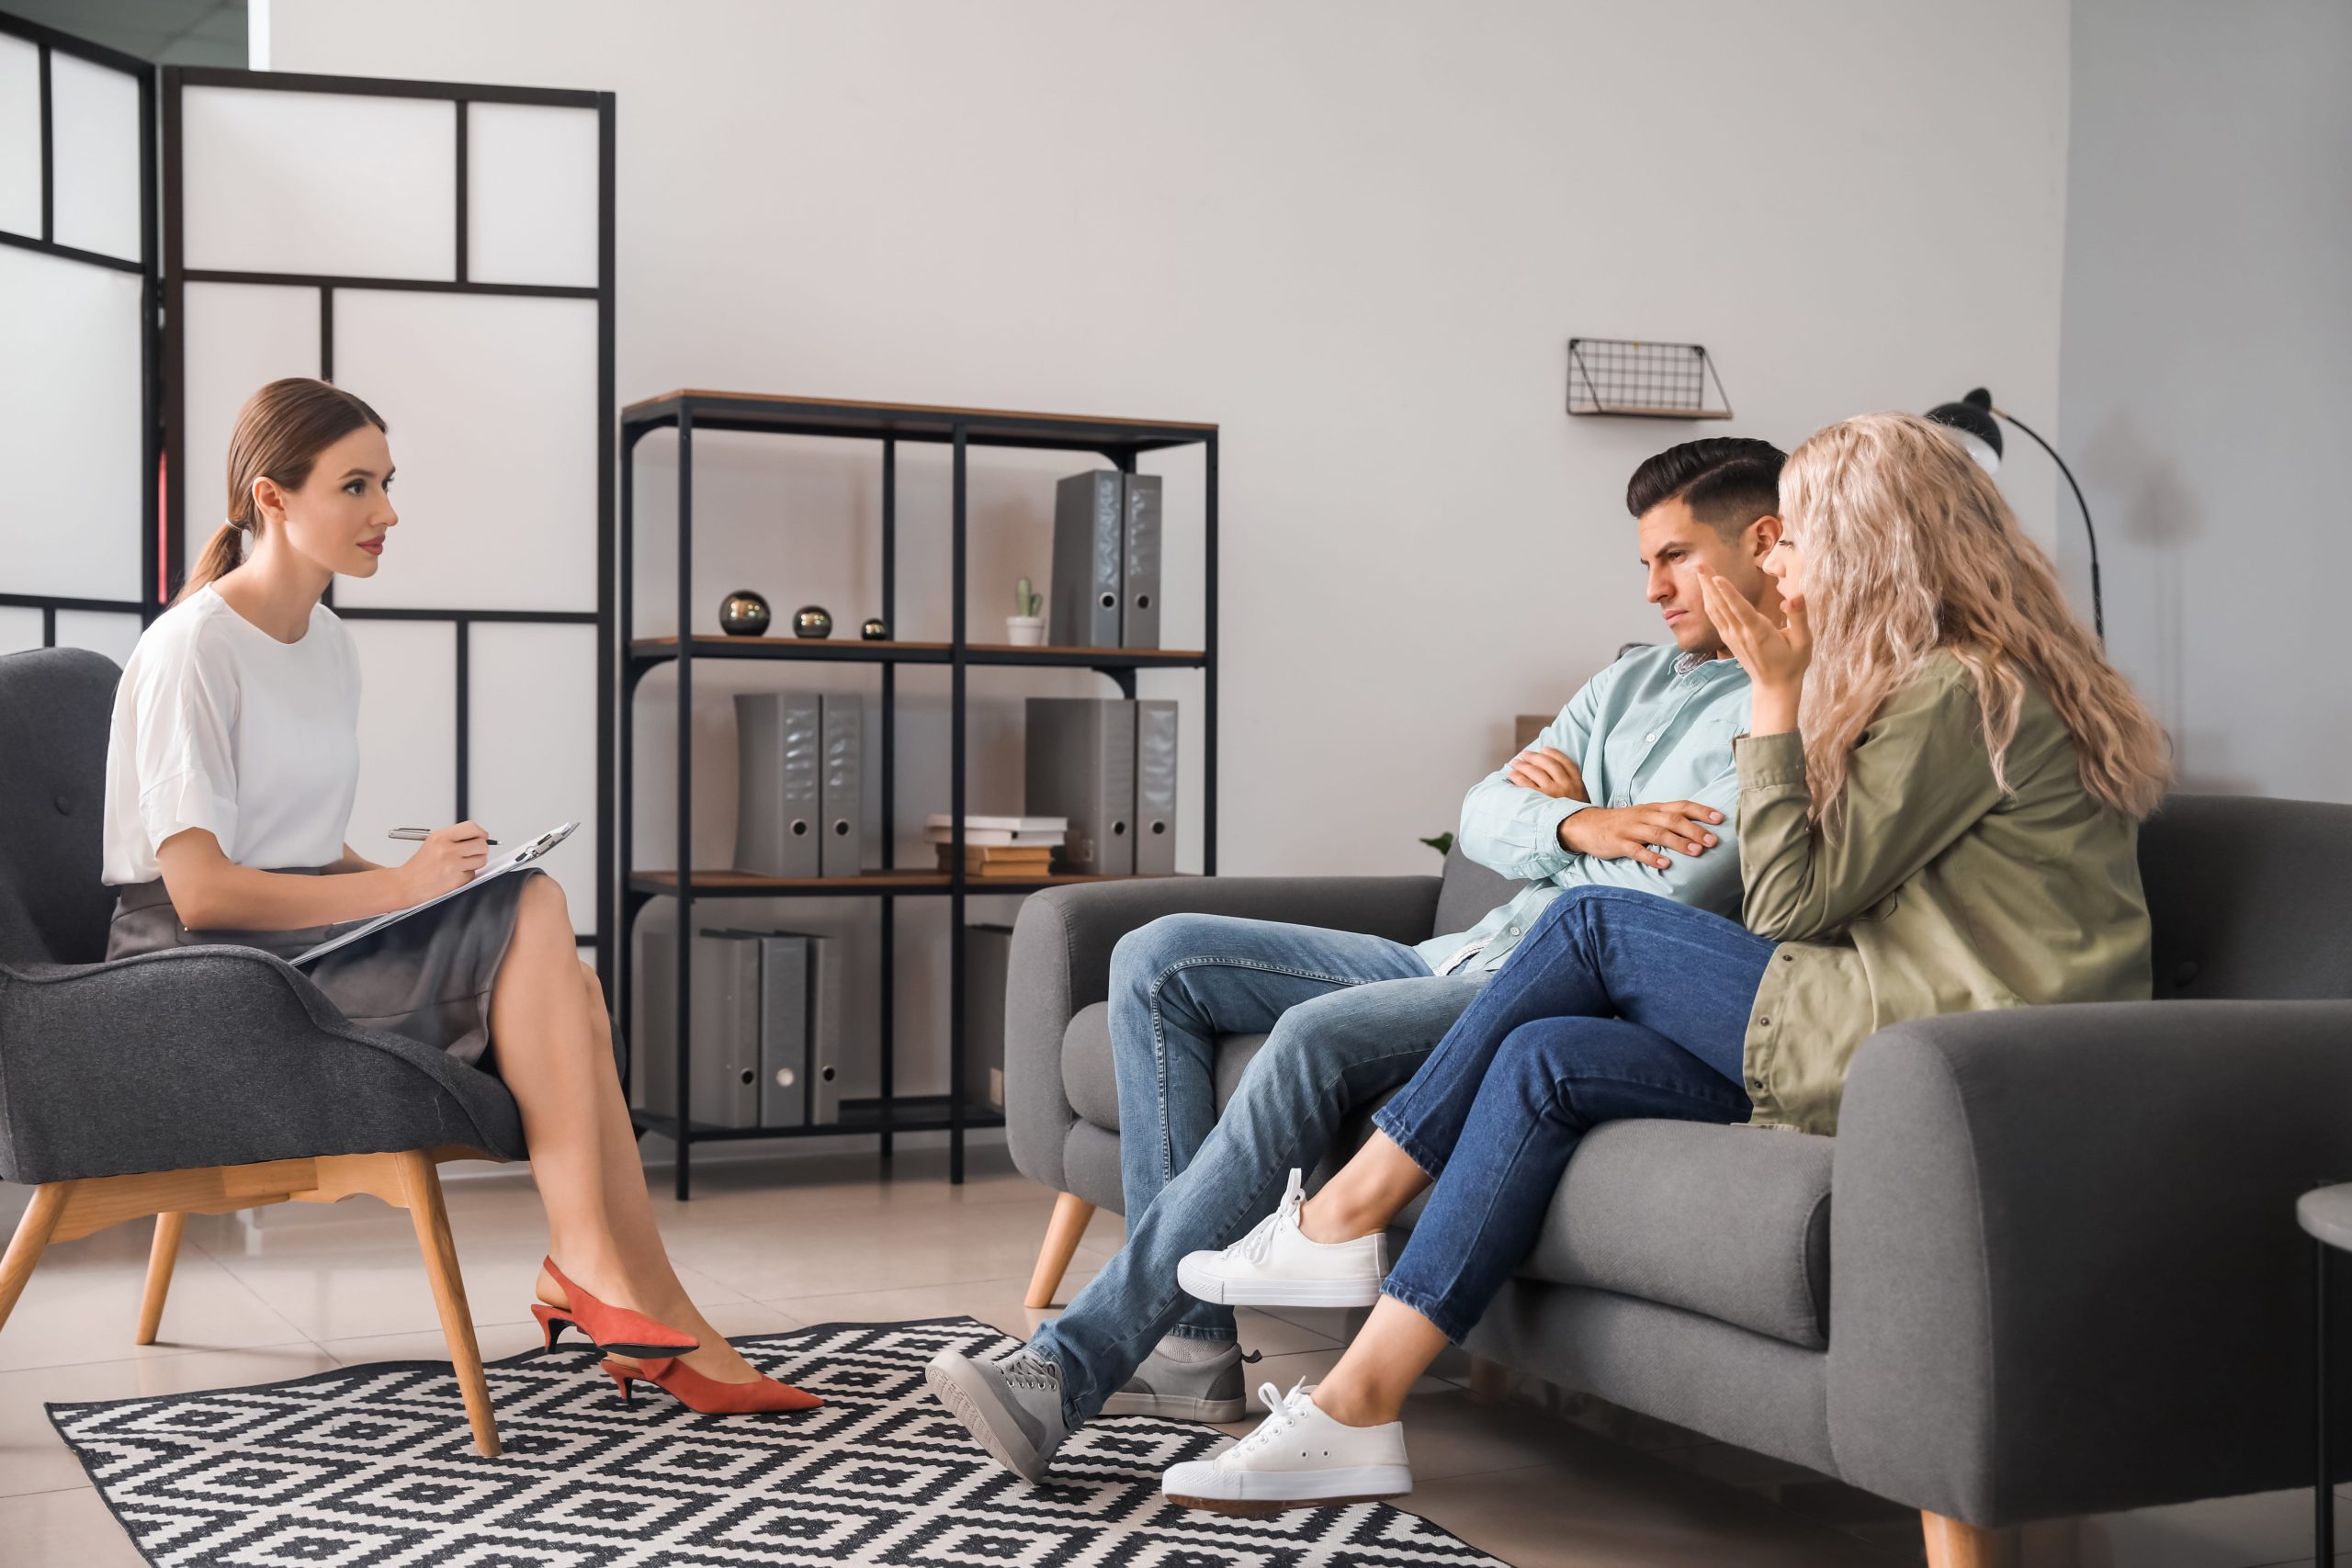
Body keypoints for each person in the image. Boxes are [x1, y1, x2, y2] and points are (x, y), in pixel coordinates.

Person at [1152, 410, 2173, 1513]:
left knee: (1590, 928)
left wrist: (1775, 695)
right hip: (1888, 1026)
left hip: (1934, 1049)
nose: (1774, 555)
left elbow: (1787, 901)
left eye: (1793, 537)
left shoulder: (1961, 688)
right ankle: (1357, 1408)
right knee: (1545, 1055)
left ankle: (1335, 1222)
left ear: (1870, 538)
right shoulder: (1938, 681)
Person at [928, 437, 1792, 1480]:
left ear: (1764, 541)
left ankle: (1068, 1369)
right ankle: (1193, 1343)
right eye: (1642, 563)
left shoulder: (1785, 707)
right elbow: (1482, 815)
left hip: (1544, 992)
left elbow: (1673, 891)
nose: (1652, 588)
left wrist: (1564, 812)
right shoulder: (1628, 681)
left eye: (1676, 557)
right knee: (1156, 956)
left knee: (1314, 1035)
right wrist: (1577, 826)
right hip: (1454, 953)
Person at [101, 378, 815, 1415]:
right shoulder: (190, 652)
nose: (386, 512)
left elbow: (293, 849)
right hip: (191, 975)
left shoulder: (328, 644)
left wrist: (405, 877)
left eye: (387, 483)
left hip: (293, 940)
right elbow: (202, 891)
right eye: (355, 486)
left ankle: (655, 1301)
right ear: (273, 499)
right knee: (533, 909)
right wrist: (397, 889)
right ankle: (587, 1268)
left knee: (568, 980)